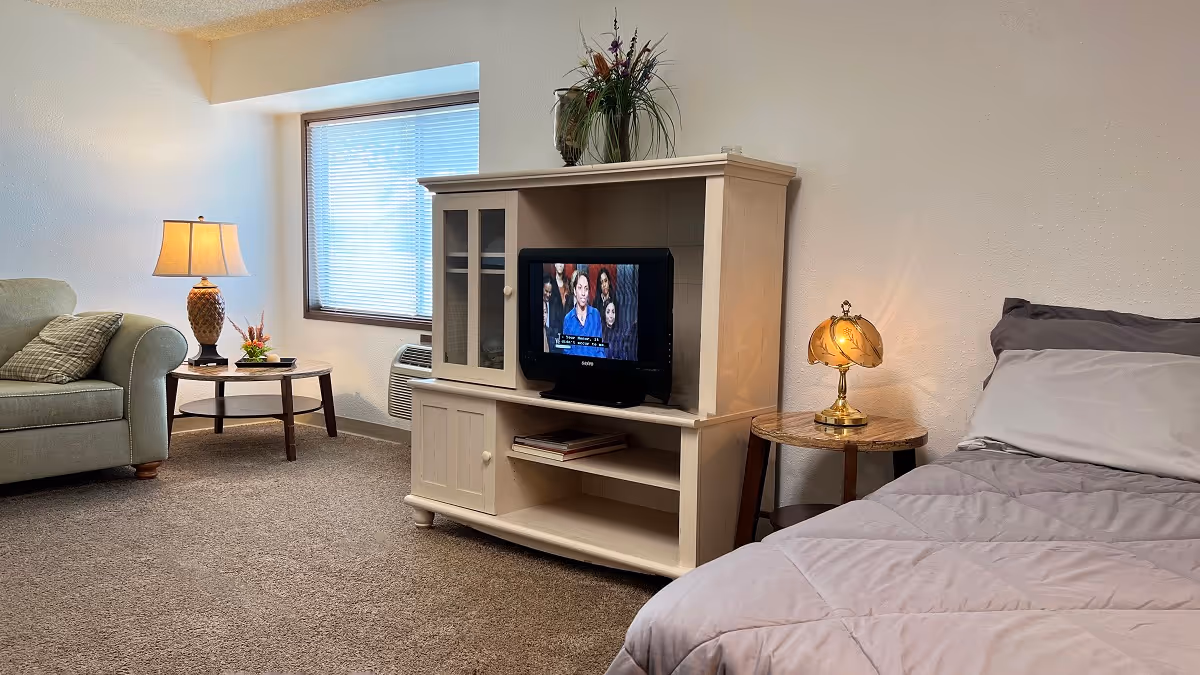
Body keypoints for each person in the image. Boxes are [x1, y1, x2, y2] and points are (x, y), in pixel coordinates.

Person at [560, 269, 606, 358]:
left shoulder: (595, 314)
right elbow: (566, 352)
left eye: (586, 288)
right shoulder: (568, 319)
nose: (583, 293)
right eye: (580, 288)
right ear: (574, 290)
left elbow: (600, 349)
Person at [547, 264, 568, 352]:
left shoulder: (567, 283)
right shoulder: (550, 283)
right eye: (558, 263)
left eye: (562, 263)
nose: (560, 265)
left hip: (566, 327)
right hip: (554, 329)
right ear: (555, 265)